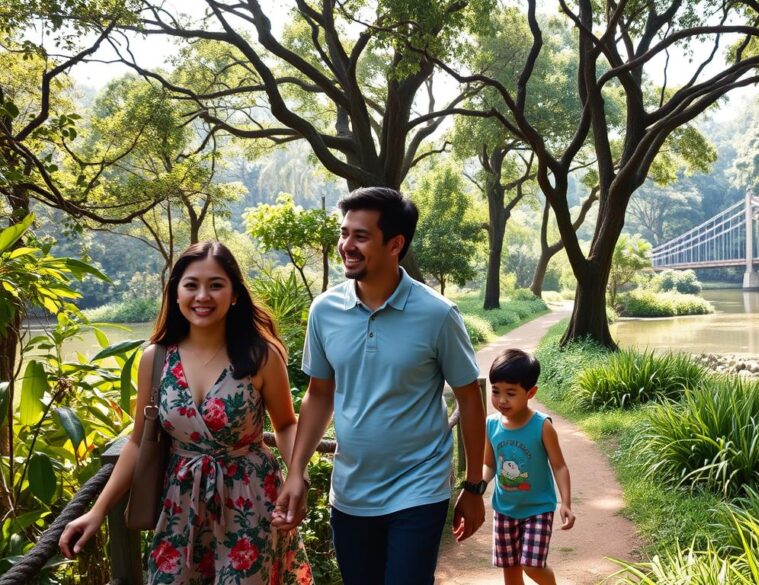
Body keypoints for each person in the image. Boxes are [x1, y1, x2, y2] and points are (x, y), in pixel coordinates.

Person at [59, 242, 312, 584]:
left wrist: (297, 475)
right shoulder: (157, 358)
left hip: (249, 499)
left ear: (234, 294)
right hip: (179, 502)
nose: (202, 296)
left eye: (216, 285)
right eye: (191, 285)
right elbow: (137, 442)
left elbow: (284, 425)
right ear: (176, 292)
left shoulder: (261, 355)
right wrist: (97, 510)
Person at [272, 186, 487, 585]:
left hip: (419, 488)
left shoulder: (437, 315)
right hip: (351, 490)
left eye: (360, 236)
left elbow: (469, 399)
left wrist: (473, 486)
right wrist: (296, 471)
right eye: (344, 233)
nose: (346, 245)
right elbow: (320, 393)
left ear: (396, 244)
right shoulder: (325, 310)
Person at [484, 348, 574, 585]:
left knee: (531, 566)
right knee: (510, 570)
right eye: (496, 391)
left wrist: (566, 503)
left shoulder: (541, 426)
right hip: (504, 510)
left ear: (531, 392)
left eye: (511, 393)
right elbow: (489, 464)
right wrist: (477, 485)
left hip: (538, 510)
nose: (502, 400)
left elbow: (559, 466)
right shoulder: (491, 424)